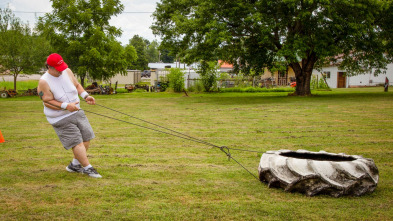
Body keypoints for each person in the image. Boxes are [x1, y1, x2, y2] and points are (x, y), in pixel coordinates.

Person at [37, 53, 102, 178]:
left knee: (86, 137)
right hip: (59, 117)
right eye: (58, 69)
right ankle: (88, 168)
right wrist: (66, 106)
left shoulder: (67, 71)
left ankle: (74, 165)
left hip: (76, 110)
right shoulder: (44, 81)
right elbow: (47, 101)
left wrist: (86, 96)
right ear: (50, 67)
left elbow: (77, 85)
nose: (61, 71)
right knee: (77, 142)